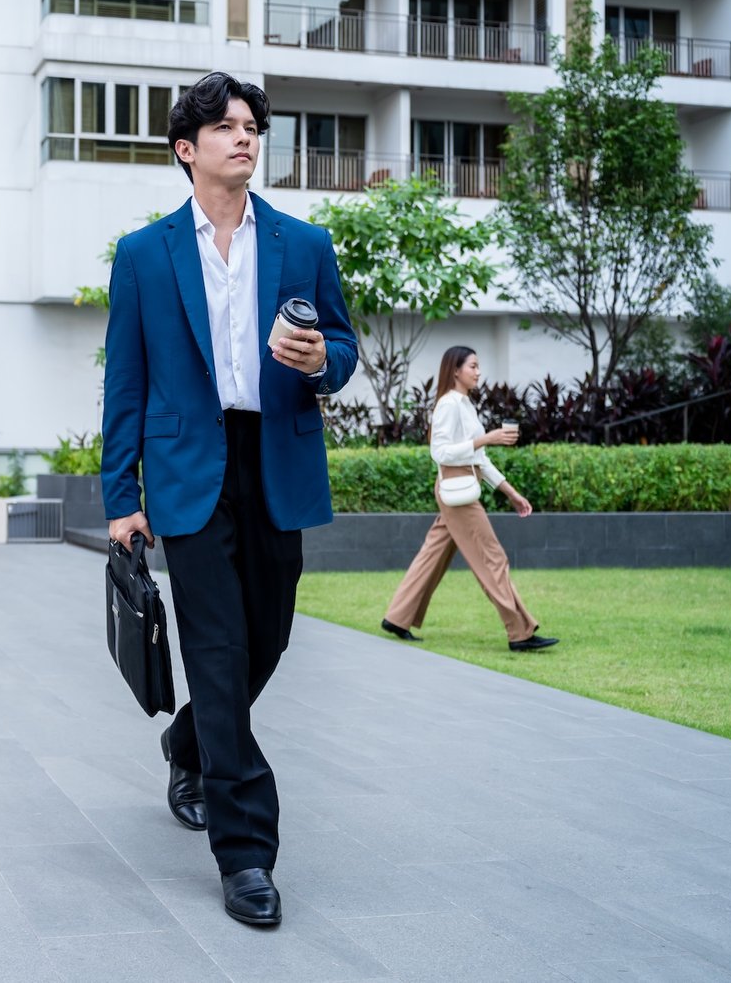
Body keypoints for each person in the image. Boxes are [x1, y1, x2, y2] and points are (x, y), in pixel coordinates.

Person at [101, 72, 358, 927]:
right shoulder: (143, 256)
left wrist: (321, 358)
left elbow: (345, 343)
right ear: (188, 149)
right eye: (228, 127)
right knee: (215, 650)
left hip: (274, 459)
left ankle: (188, 741)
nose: (245, 138)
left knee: (268, 639)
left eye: (253, 126)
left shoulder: (302, 241)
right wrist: (121, 496)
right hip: (185, 472)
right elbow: (126, 388)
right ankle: (246, 850)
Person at [381, 346, 557, 652]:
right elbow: (440, 452)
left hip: (461, 485)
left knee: (433, 553)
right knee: (492, 558)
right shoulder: (449, 405)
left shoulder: (464, 404)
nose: (478, 371)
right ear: (455, 371)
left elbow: (479, 458)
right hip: (456, 490)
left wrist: (511, 492)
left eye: (478, 366)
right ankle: (520, 632)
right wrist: (485, 438)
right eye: (473, 366)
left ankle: (398, 616)